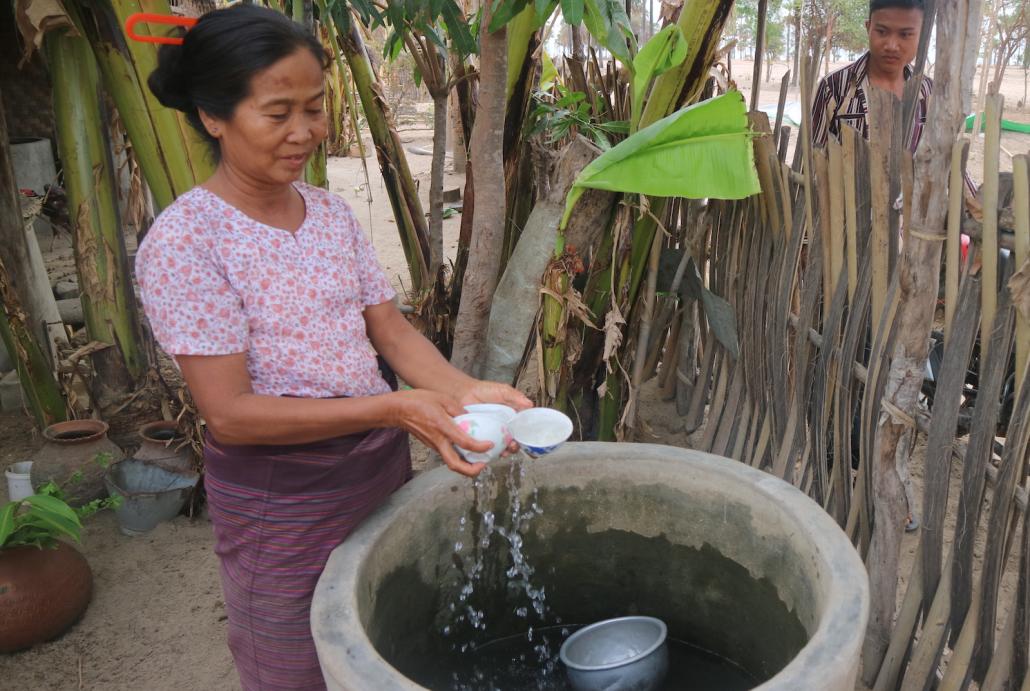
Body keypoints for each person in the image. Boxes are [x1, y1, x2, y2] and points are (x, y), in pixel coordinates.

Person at [137, 6, 531, 690]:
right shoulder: (185, 242)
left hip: (374, 468)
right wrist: (394, 409)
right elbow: (230, 413)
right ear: (213, 116)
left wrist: (464, 391)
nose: (305, 132)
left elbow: (390, 330)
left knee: (381, 633)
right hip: (279, 497)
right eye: (278, 111)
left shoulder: (327, 213)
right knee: (295, 665)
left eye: (315, 108)